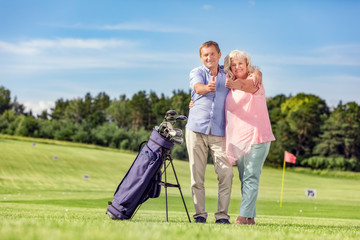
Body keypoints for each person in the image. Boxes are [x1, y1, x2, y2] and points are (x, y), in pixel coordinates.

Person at [185, 41, 262, 224]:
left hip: (220, 132)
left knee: (226, 173)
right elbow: (197, 87)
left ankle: (221, 216)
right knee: (197, 176)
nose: (209, 58)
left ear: (219, 55)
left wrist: (258, 72)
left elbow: (246, 70)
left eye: (212, 54)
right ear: (201, 57)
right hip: (196, 130)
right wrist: (207, 89)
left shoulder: (227, 73)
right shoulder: (196, 72)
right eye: (205, 55)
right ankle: (200, 216)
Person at [224, 50, 275, 225]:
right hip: (239, 140)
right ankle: (250, 218)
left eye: (240, 63)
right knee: (244, 179)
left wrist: (255, 72)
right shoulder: (230, 87)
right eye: (233, 64)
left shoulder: (255, 80)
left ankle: (241, 218)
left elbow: (247, 86)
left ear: (247, 65)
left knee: (251, 177)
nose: (237, 67)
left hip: (257, 136)